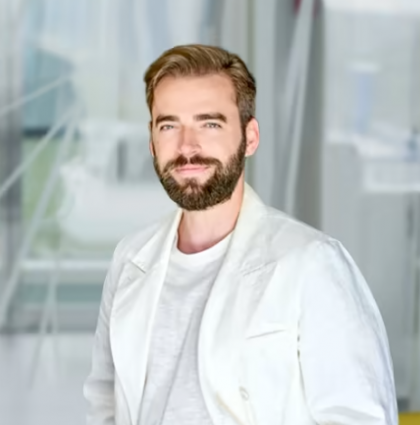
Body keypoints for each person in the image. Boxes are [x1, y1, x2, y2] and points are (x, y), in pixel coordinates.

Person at [84, 44, 398, 425]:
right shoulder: (130, 258)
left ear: (250, 137)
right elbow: (104, 405)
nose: (187, 146)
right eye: (169, 125)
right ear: (152, 142)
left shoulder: (313, 263)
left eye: (210, 124)